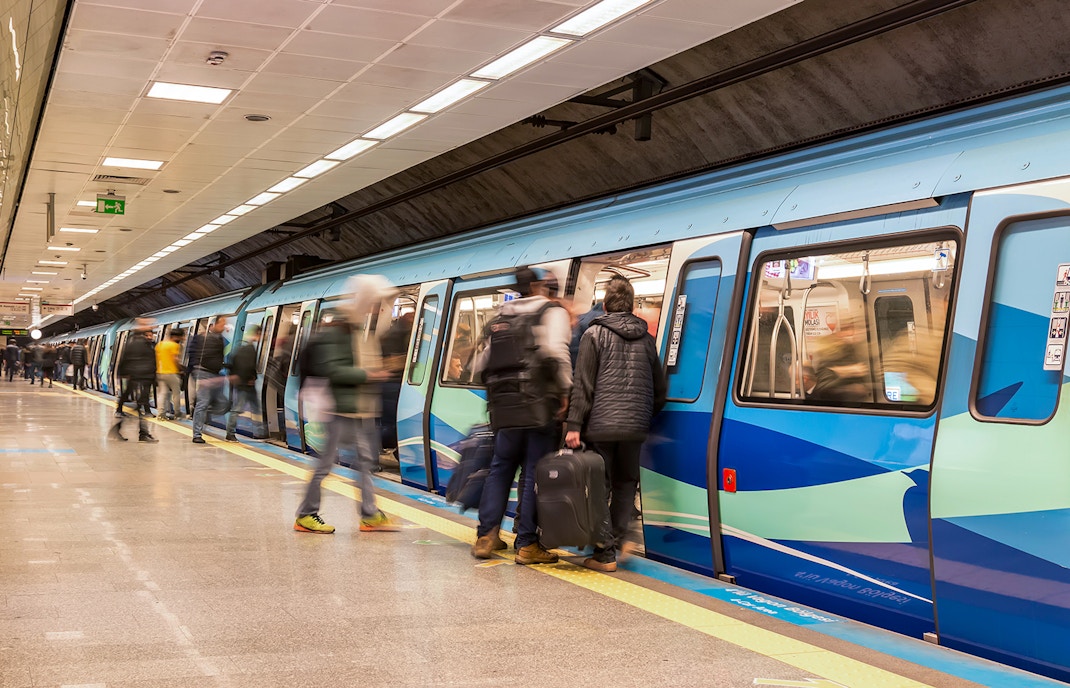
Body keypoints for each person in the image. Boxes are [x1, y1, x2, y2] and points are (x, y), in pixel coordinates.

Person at [470, 266, 572, 564]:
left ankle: (487, 536)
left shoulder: (500, 317)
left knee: (500, 468)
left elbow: (479, 365)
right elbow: (557, 353)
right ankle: (527, 544)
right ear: (540, 286)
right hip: (538, 405)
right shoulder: (551, 312)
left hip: (503, 407)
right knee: (532, 472)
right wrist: (566, 393)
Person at [564, 276, 666, 572]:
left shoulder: (593, 335)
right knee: (625, 484)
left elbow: (583, 386)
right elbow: (659, 390)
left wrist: (573, 425)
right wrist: (644, 416)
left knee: (599, 487)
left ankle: (605, 554)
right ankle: (620, 539)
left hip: (601, 426)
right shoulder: (647, 340)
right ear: (632, 306)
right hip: (635, 427)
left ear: (605, 306)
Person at [294, 275, 399, 534]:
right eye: (374, 303)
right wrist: (370, 374)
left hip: (360, 408)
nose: (376, 309)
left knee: (364, 463)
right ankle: (305, 514)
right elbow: (334, 370)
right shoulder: (338, 331)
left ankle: (369, 514)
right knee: (325, 465)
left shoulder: (356, 328)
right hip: (339, 410)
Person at [109, 321, 158, 442]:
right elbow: (141, 360)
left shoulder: (135, 342)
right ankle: (140, 433)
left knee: (139, 405)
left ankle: (139, 432)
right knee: (139, 404)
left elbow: (125, 359)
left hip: (139, 377)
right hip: (141, 377)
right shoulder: (140, 343)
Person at [189, 317, 231, 444]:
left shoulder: (220, 339)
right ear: (214, 324)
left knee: (224, 403)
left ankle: (202, 411)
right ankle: (197, 434)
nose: (224, 326)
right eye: (223, 324)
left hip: (215, 374)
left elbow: (219, 357)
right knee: (203, 402)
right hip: (203, 372)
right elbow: (192, 355)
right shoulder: (202, 338)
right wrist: (195, 373)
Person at [379, 310, 413, 455]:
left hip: (394, 385)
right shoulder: (395, 335)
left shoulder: (395, 333)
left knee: (392, 423)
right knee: (391, 424)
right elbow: (389, 363)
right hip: (392, 385)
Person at [225, 325, 264, 442]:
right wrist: (250, 379)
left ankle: (260, 432)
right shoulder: (250, 349)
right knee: (238, 408)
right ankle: (230, 433)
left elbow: (233, 363)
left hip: (244, 383)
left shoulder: (241, 348)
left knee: (255, 407)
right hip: (246, 384)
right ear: (257, 334)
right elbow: (248, 366)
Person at [155, 329, 184, 420]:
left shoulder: (160, 345)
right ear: (175, 337)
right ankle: (177, 413)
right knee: (176, 393)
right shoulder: (174, 345)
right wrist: (181, 368)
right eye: (181, 336)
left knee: (162, 393)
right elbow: (175, 359)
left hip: (160, 372)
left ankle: (161, 414)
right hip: (171, 372)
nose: (183, 338)